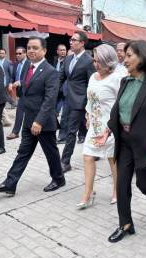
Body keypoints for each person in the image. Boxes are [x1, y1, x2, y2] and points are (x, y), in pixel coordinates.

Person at [96, 40, 146, 243]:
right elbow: (118, 110)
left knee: (144, 183)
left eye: (129, 55)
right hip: (125, 140)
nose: (124, 58)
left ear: (143, 56)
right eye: (124, 55)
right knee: (122, 184)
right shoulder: (125, 81)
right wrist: (107, 131)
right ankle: (125, 224)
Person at [0, 36, 66, 195]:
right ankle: (10, 184)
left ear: (44, 51)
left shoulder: (51, 72)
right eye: (29, 47)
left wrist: (39, 121)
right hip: (29, 120)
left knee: (51, 153)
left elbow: (50, 99)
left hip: (43, 122)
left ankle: (58, 179)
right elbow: (25, 93)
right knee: (23, 153)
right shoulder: (26, 68)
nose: (31, 50)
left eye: (35, 48)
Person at [76, 44, 125, 210]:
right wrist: (88, 115)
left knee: (113, 159)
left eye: (100, 61)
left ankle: (117, 190)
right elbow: (90, 99)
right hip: (95, 125)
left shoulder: (118, 77)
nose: (96, 64)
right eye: (95, 61)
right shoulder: (93, 77)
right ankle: (88, 193)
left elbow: (122, 103)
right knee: (87, 156)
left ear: (109, 61)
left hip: (111, 125)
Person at [60, 31, 96, 173]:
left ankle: (65, 161)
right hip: (68, 99)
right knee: (85, 129)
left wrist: (88, 105)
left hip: (80, 101)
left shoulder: (88, 61)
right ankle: (96, 150)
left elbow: (91, 83)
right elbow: (61, 77)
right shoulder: (68, 59)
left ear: (82, 43)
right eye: (71, 39)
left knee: (71, 131)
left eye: (74, 40)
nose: (71, 42)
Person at [7, 47, 30, 140]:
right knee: (23, 112)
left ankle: (15, 132)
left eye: (20, 53)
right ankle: (18, 132)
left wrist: (20, 82)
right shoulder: (16, 64)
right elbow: (13, 77)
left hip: (29, 91)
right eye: (16, 53)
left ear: (25, 54)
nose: (18, 55)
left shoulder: (30, 64)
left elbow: (31, 78)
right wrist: (10, 83)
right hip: (20, 92)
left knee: (21, 111)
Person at [53, 44, 67, 115]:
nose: (63, 52)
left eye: (64, 50)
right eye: (61, 50)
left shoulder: (67, 61)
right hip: (54, 85)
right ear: (57, 51)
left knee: (59, 103)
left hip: (62, 86)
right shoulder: (55, 59)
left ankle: (56, 112)